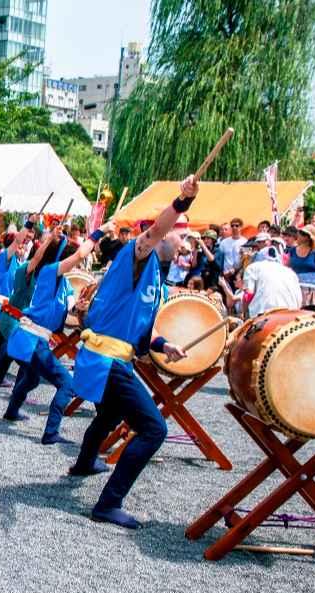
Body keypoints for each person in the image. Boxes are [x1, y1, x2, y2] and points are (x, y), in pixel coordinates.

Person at [68, 176, 198, 530]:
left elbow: (141, 325)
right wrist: (182, 201)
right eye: (182, 235)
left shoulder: (156, 278)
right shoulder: (136, 257)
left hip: (108, 358)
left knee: (108, 415)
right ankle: (108, 503)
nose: (185, 243)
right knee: (153, 430)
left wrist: (161, 344)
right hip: (107, 360)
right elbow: (156, 229)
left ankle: (83, 463)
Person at [2, 224, 104, 444]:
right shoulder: (49, 273)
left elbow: (65, 315)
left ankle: (11, 411)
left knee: (31, 379)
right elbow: (78, 254)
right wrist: (99, 232)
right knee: (67, 384)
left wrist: (79, 307)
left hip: (35, 339)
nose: (76, 264)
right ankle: (50, 433)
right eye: (70, 260)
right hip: (31, 338)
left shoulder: (64, 285)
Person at [0, 226, 48, 387]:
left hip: (15, 315)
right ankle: (19, 389)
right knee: (25, 355)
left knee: (9, 349)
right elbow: (36, 258)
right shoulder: (26, 267)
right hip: (12, 316)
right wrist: (49, 241)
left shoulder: (27, 266)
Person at [237, 244, 302, 317]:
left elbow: (248, 295)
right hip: (292, 313)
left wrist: (243, 312)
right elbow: (299, 299)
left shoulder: (252, 268)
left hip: (264, 313)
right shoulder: (290, 272)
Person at [218, 217, 247, 283]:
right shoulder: (224, 242)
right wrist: (222, 273)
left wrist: (235, 270)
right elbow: (220, 259)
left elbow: (245, 260)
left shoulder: (245, 242)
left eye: (237, 226)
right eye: (232, 226)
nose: (234, 227)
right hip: (225, 274)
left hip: (238, 274)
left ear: (241, 227)